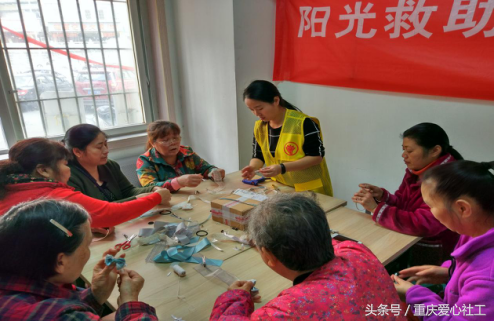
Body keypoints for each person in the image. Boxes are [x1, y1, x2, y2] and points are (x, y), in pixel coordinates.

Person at [210, 193, 404, 320]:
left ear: (268, 256)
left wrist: (236, 299)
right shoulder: (357, 252)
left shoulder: (287, 311)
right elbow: (337, 244)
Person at [0, 199, 158, 320]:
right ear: (61, 261)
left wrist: (96, 295)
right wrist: (129, 301)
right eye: (87, 245)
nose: (89, 252)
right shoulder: (59, 315)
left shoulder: (15, 284)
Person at [392, 160, 494, 320]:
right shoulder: (476, 231)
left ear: (463, 208)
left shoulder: (487, 277)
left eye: (430, 205)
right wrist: (450, 273)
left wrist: (414, 295)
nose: (430, 212)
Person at [353, 123, 462, 265]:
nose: (404, 155)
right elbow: (403, 202)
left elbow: (425, 224)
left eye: (409, 151)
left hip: (434, 251)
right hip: (408, 239)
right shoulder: (417, 170)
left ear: (435, 150)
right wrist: (382, 196)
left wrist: (376, 209)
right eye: (403, 149)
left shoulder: (447, 180)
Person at [0, 138, 171, 227]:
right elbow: (109, 213)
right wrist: (155, 198)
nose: (106, 150)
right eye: (64, 164)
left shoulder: (13, 185)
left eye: (106, 144)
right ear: (43, 170)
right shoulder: (53, 194)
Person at [241, 80, 333, 196]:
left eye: (260, 108)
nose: (256, 113)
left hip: (310, 190)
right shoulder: (260, 127)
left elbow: (316, 157)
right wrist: (253, 167)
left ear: (275, 100)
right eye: (251, 109)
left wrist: (282, 168)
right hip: (281, 188)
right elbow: (258, 155)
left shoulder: (303, 123)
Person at [64, 124, 163, 203]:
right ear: (77, 152)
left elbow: (128, 191)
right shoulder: (68, 177)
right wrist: (136, 200)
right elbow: (93, 211)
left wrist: (153, 189)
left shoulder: (110, 165)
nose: (106, 150)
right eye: (99, 147)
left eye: (106, 144)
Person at [137, 120, 224, 192]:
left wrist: (215, 172)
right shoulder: (145, 160)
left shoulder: (187, 152)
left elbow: (205, 168)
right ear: (153, 143)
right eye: (165, 140)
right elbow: (149, 188)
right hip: (167, 204)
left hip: (192, 198)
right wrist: (178, 182)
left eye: (175, 138)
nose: (173, 143)